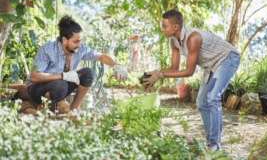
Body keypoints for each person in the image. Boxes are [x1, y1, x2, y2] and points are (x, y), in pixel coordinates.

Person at [142, 9, 240, 150]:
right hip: (211, 64)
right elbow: (174, 68)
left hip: (227, 58)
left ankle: (214, 147)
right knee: (201, 102)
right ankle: (210, 143)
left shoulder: (192, 38)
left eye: (164, 26)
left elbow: (189, 71)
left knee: (212, 97)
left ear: (175, 27)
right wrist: (157, 73)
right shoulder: (174, 41)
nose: (162, 29)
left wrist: (161, 75)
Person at [25, 15, 128, 119]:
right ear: (64, 40)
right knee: (61, 85)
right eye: (76, 41)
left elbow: (101, 56)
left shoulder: (80, 49)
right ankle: (43, 105)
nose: (79, 45)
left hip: (60, 88)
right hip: (36, 90)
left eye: (80, 41)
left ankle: (73, 112)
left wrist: (116, 66)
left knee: (88, 73)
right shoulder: (47, 49)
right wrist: (63, 76)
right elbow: (34, 77)